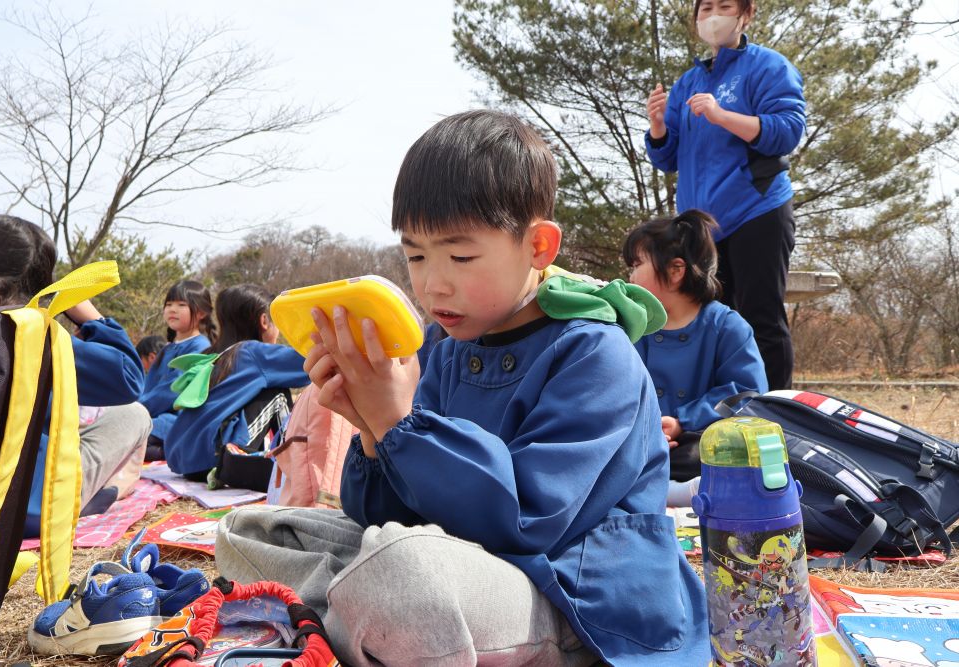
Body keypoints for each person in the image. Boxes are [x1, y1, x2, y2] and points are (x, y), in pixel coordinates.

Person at [214, 110, 709, 666]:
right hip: (451, 564)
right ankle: (370, 616)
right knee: (248, 530)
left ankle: (364, 615)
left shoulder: (594, 352)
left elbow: (527, 519)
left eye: (461, 255)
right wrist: (376, 431)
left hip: (574, 597)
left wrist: (402, 425)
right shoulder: (447, 350)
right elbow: (380, 513)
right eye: (416, 256)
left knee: (400, 570)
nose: (433, 282)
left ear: (538, 247)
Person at [645, 0, 806, 390]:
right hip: (702, 226)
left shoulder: (768, 66)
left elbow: (787, 131)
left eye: (724, 6)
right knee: (713, 321)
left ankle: (775, 415)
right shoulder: (689, 82)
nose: (713, 15)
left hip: (757, 209)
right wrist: (657, 126)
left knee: (760, 317)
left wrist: (721, 115)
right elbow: (668, 158)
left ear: (745, 14)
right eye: (705, 8)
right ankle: (718, 417)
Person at [0, 215, 150, 538]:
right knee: (136, 415)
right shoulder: (36, 337)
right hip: (26, 510)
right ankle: (109, 492)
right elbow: (129, 377)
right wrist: (84, 309)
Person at [623, 208, 767, 482]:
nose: (631, 276)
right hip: (642, 440)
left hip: (700, 439)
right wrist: (644, 433)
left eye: (637, 265)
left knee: (710, 457)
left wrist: (682, 422)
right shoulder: (633, 327)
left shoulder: (726, 326)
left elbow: (747, 394)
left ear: (676, 270)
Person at [163, 284, 309, 478]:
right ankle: (289, 464)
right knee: (276, 393)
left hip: (186, 460)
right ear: (264, 321)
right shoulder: (254, 352)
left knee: (266, 386)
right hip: (220, 458)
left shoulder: (213, 355)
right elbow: (310, 364)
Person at [139, 280, 216, 460]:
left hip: (178, 421)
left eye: (181, 305)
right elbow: (148, 385)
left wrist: (139, 408)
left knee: (130, 438)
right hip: (154, 415)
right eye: (169, 304)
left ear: (201, 313)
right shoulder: (167, 349)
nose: (172, 309)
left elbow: (173, 390)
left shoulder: (200, 347)